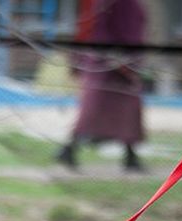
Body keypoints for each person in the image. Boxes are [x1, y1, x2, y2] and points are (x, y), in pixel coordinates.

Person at [56, 0, 146, 172]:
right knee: (93, 109)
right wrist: (117, 57)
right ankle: (69, 149)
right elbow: (96, 27)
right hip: (105, 62)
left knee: (128, 110)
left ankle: (130, 156)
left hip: (119, 62)